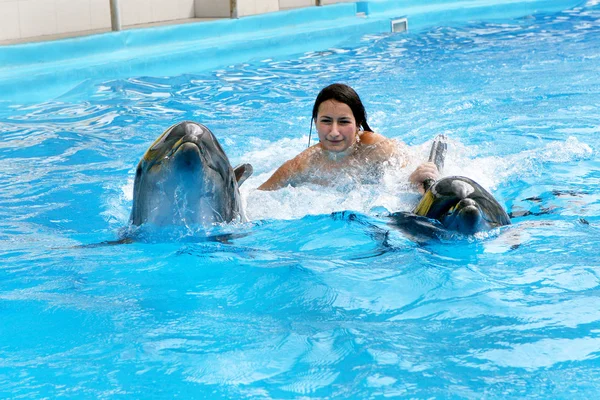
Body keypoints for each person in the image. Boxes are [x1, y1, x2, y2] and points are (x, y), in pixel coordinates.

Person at [257, 83, 438, 193]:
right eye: (326, 121)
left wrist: (414, 180)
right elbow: (259, 195)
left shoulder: (377, 149)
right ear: (315, 122)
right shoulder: (302, 164)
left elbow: (408, 175)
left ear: (358, 123)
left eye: (343, 122)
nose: (334, 132)